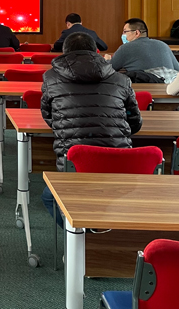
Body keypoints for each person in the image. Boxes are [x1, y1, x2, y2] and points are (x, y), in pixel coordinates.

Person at [40, 32, 142, 213]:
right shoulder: (122, 79)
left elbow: (48, 116)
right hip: (119, 161)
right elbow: (135, 122)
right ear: (95, 51)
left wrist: (67, 127)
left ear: (64, 52)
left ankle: (79, 230)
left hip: (75, 161)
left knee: (50, 197)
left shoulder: (50, 78)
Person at [104, 18, 179, 75]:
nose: (123, 35)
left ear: (137, 33)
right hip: (167, 87)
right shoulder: (163, 45)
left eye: (125, 31)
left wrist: (107, 60)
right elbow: (177, 68)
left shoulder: (126, 48)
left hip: (142, 87)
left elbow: (108, 69)